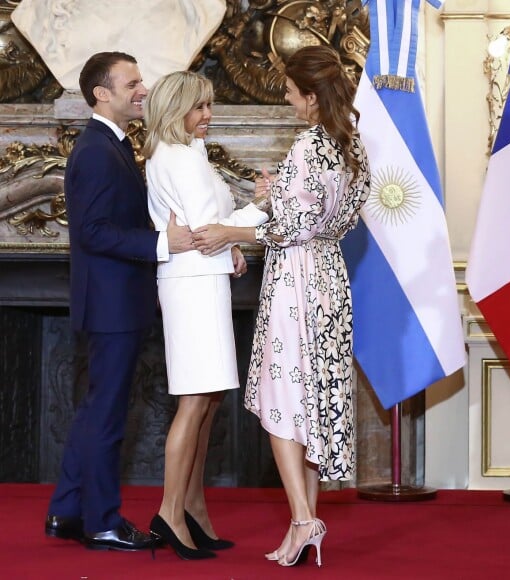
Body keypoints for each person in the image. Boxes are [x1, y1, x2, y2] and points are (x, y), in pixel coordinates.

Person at [191, 45, 371, 568]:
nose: (290, 102)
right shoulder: (350, 144)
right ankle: (305, 519)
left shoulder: (309, 146)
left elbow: (292, 228)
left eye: (292, 93)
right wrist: (275, 195)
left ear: (312, 96)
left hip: (296, 283)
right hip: (330, 279)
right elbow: (328, 216)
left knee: (281, 398)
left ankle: (302, 520)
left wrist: (229, 230)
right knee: (308, 402)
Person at [45, 51, 194, 551]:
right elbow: (92, 232)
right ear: (100, 94)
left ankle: (67, 511)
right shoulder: (93, 151)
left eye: (141, 80)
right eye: (131, 83)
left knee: (94, 410)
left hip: (116, 302)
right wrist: (162, 244)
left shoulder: (111, 145)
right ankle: (102, 522)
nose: (143, 89)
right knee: (106, 415)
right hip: (112, 305)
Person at [142, 70, 270, 560]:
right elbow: (202, 230)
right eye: (199, 107)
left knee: (209, 398)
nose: (207, 116)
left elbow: (211, 230)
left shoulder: (188, 156)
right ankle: (170, 513)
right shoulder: (177, 157)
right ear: (176, 109)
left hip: (201, 279)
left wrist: (228, 242)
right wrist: (259, 207)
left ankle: (192, 507)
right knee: (194, 401)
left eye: (210, 105)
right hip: (191, 285)